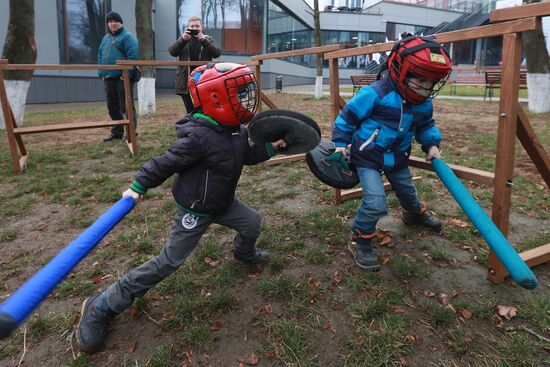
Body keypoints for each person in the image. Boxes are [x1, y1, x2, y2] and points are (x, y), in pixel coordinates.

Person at [76, 63, 286, 353]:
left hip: (222, 203)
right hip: (195, 210)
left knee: (252, 223)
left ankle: (243, 252)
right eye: (236, 94)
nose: (243, 100)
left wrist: (272, 148)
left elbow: (246, 156)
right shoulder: (197, 138)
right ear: (215, 99)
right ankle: (104, 304)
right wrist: (138, 187)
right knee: (169, 261)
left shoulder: (235, 129)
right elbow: (164, 163)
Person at [332, 34, 452, 272]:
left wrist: (431, 145)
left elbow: (426, 125)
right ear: (401, 71)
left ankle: (414, 214)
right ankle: (360, 238)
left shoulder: (423, 102)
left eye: (432, 82)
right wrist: (340, 142)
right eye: (421, 81)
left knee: (408, 191)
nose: (427, 88)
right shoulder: (375, 93)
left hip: (397, 157)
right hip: (368, 156)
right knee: (376, 202)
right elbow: (348, 116)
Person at [97, 11, 139, 142]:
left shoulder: (128, 37)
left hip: (122, 78)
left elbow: (133, 57)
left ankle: (131, 132)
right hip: (108, 78)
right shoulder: (106, 38)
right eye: (110, 21)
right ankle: (117, 132)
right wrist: (101, 72)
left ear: (121, 23)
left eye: (116, 21)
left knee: (126, 106)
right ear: (108, 24)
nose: (113, 23)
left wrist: (126, 75)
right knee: (112, 107)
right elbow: (100, 55)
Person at [169, 16, 221, 114]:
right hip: (186, 80)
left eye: (197, 26)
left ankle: (201, 127)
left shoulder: (208, 39)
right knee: (190, 111)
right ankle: (191, 128)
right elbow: (172, 52)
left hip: (203, 80)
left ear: (202, 28)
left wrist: (204, 41)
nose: (194, 28)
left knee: (203, 110)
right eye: (192, 26)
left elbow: (217, 53)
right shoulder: (183, 39)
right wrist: (183, 40)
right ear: (188, 27)